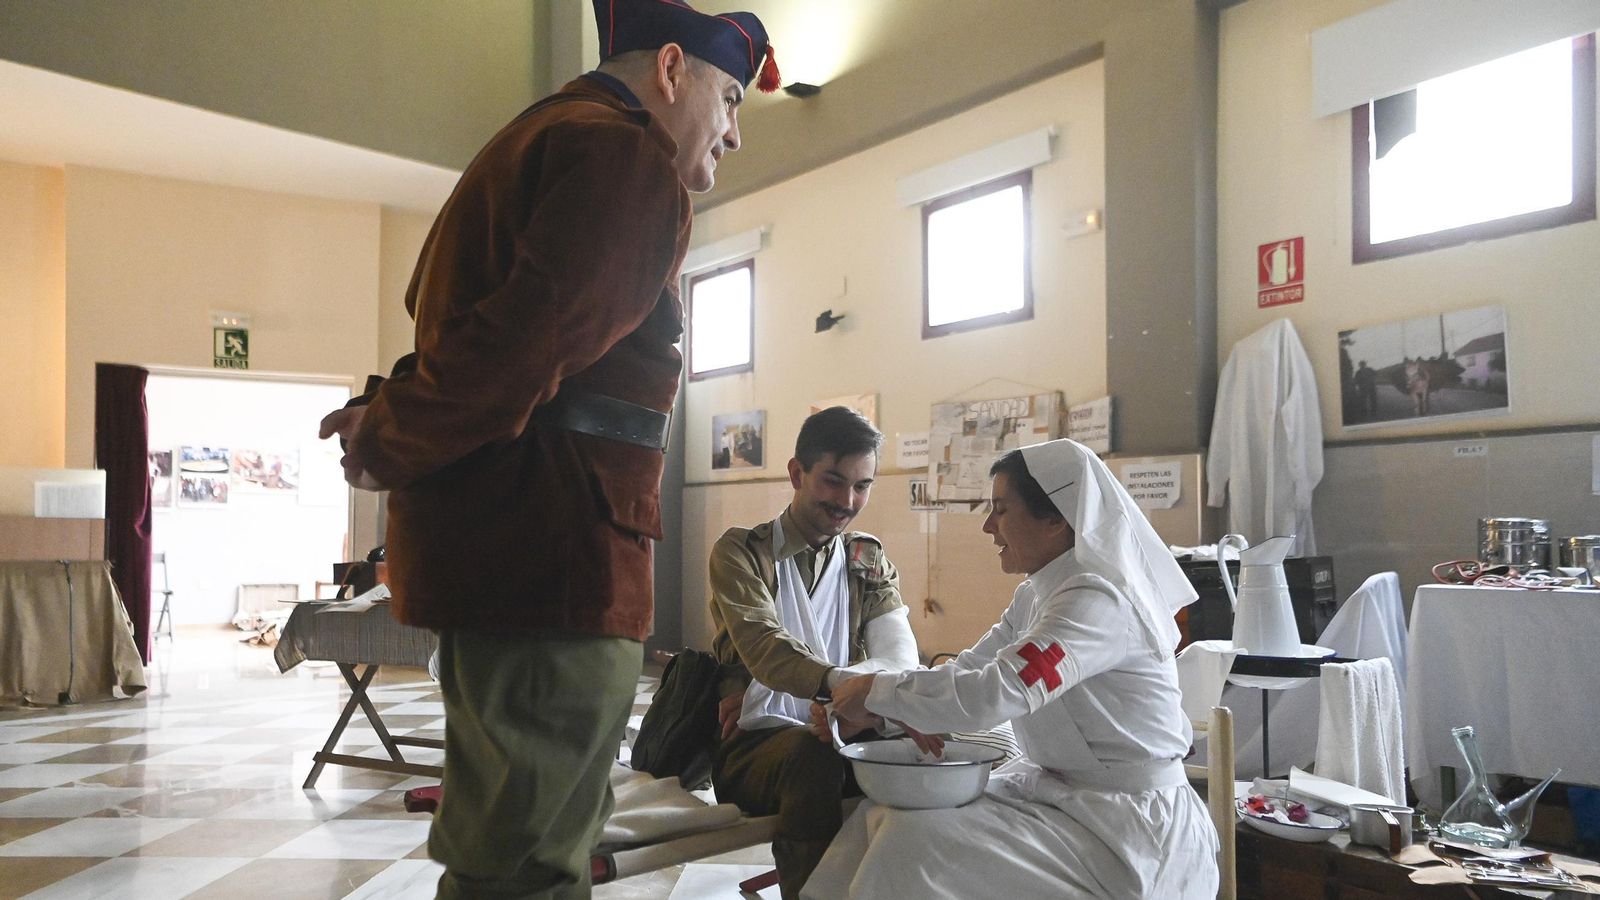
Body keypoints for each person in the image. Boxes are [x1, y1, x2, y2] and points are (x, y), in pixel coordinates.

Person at [316, 2, 780, 896]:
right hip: (556, 571)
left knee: (512, 852)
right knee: (527, 869)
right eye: (728, 100)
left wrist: (390, 416)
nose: (732, 134)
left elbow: (487, 345)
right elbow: (515, 353)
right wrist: (385, 437)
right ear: (671, 70)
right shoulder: (619, 154)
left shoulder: (541, 142)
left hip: (515, 565)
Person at [808, 438, 1219, 900]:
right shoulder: (1038, 594)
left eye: (1001, 510)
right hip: (1062, 799)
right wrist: (875, 706)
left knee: (915, 844)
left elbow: (999, 691)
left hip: (1130, 832)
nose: (988, 526)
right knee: (884, 819)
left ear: (1057, 519)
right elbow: (970, 669)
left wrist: (875, 695)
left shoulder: (1098, 602)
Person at [707, 406, 920, 900]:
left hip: (848, 726)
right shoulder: (742, 552)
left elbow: (900, 658)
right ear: (796, 473)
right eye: (832, 481)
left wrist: (849, 708)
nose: (847, 501)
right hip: (756, 745)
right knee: (813, 753)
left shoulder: (865, 559)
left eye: (862, 486)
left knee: (930, 746)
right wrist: (843, 692)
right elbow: (766, 651)